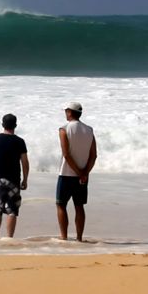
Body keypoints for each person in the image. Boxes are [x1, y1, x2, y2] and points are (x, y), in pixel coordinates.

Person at [0, 113, 29, 238]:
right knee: (12, 210)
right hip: (13, 180)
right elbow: (25, 162)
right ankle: (9, 238)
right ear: (15, 125)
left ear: (3, 124)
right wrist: (25, 179)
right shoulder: (20, 142)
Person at [56, 102, 97, 242]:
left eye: (66, 111)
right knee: (79, 206)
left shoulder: (64, 129)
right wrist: (84, 172)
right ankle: (79, 238)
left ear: (69, 112)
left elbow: (66, 154)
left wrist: (79, 172)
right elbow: (94, 155)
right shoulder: (89, 130)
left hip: (66, 174)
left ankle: (64, 237)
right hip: (83, 176)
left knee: (61, 204)